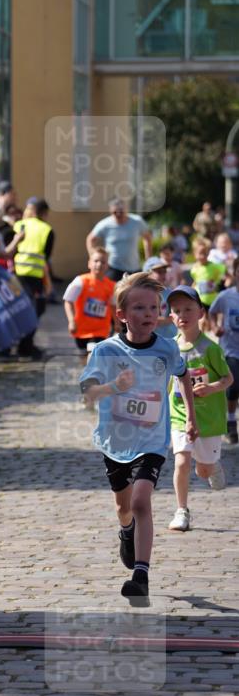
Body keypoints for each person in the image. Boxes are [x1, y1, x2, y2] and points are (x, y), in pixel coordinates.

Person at [79, 272, 197, 607]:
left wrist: (190, 416)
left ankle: (141, 576)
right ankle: (126, 530)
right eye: (139, 308)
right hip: (115, 440)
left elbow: (184, 376)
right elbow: (87, 394)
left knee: (141, 501)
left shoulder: (166, 349)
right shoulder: (105, 351)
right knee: (124, 506)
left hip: (152, 440)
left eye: (153, 308)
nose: (148, 314)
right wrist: (114, 387)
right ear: (121, 315)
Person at [166, 285, 233, 532]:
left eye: (188, 309)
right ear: (171, 316)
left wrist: (211, 388)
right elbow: (167, 383)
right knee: (181, 462)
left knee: (202, 470)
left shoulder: (210, 349)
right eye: (176, 310)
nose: (182, 314)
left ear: (201, 313)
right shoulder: (169, 348)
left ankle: (211, 465)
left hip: (209, 419)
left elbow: (228, 380)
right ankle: (181, 510)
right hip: (180, 416)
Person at [7, 197, 53, 359]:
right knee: (35, 310)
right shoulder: (46, 229)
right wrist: (48, 284)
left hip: (16, 276)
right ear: (43, 213)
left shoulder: (18, 226)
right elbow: (46, 259)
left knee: (18, 310)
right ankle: (25, 346)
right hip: (35, 278)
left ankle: (18, 345)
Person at [63, 246, 116, 372]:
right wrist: (71, 321)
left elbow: (113, 306)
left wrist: (117, 323)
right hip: (81, 329)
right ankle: (88, 375)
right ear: (89, 263)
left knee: (94, 355)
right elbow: (68, 301)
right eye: (96, 261)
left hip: (101, 330)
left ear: (107, 266)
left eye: (103, 262)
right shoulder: (81, 281)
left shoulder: (111, 286)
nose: (99, 264)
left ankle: (93, 379)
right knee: (84, 358)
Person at [209, 256, 239, 444]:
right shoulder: (226, 296)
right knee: (233, 386)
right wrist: (214, 327)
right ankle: (230, 422)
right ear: (235, 273)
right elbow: (212, 312)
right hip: (230, 349)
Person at [86, 198, 152, 281]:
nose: (118, 214)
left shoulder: (137, 221)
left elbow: (147, 237)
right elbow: (90, 239)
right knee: (113, 293)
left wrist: (148, 259)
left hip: (134, 268)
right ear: (110, 211)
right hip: (113, 268)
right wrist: (93, 257)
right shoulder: (105, 224)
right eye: (115, 212)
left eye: (121, 211)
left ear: (126, 210)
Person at [189, 238, 226, 311]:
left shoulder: (215, 267)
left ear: (208, 253)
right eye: (200, 253)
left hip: (214, 300)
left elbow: (226, 273)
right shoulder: (194, 270)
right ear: (194, 254)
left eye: (205, 253)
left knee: (213, 321)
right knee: (202, 321)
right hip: (201, 300)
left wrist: (225, 283)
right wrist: (190, 292)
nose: (203, 256)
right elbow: (195, 281)